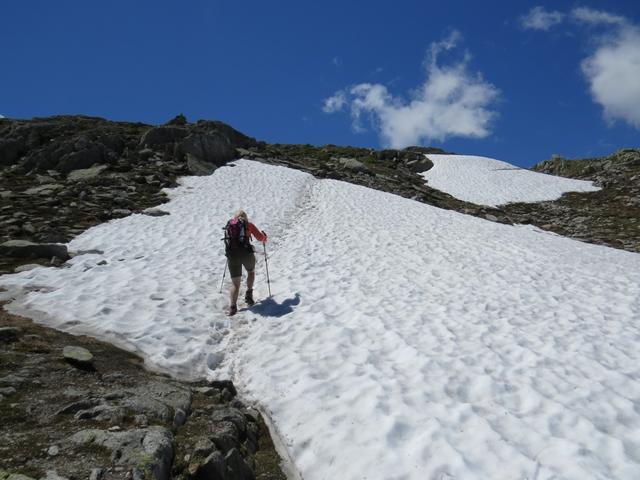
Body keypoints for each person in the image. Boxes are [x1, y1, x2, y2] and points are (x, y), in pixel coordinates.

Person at [224, 209, 267, 316]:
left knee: (235, 284)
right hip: (246, 254)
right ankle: (248, 294)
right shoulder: (248, 225)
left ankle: (233, 307)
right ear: (245, 217)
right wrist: (264, 237)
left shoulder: (230, 225)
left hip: (232, 256)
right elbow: (260, 238)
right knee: (251, 272)